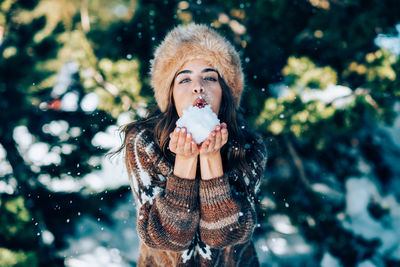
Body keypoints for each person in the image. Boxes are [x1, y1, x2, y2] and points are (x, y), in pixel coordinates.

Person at [119, 23, 267, 266]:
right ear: (170, 95)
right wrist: (185, 163)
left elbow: (224, 236)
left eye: (209, 77)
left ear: (225, 92)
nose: (198, 86)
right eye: (184, 79)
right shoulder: (144, 142)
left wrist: (211, 161)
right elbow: (166, 239)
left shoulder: (249, 148)